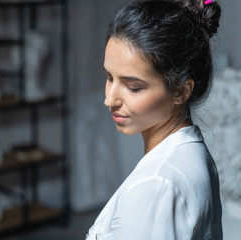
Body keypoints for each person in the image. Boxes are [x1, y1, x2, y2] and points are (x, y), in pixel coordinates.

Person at [86, 0, 222, 239]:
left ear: (181, 91)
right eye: (109, 77)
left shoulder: (157, 185)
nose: (110, 99)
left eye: (133, 87)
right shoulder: (190, 153)